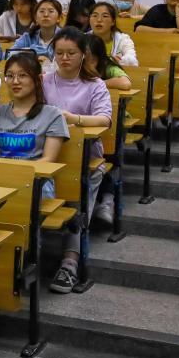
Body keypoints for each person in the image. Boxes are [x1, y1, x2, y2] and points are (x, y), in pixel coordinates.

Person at [41, 27, 112, 294]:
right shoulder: (44, 81)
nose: (64, 58)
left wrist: (74, 119)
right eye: (59, 53)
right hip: (46, 155)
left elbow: (105, 119)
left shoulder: (95, 85)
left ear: (83, 54)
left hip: (84, 157)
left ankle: (70, 263)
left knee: (75, 200)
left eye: (71, 53)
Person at [0, 53, 69, 198]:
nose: (15, 81)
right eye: (10, 76)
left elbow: (48, 160)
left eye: (22, 75)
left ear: (38, 79)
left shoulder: (53, 115)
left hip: (36, 182)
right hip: (0, 180)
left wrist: (14, 174)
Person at [10, 0, 63, 67]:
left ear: (59, 18)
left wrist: (50, 63)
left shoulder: (66, 37)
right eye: (42, 11)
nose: (46, 15)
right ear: (35, 18)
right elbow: (9, 54)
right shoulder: (28, 37)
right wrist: (31, 54)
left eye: (51, 11)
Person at [89, 2, 137, 66]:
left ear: (113, 22)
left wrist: (122, 61)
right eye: (95, 16)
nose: (99, 20)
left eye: (105, 16)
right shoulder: (82, 39)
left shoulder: (123, 39)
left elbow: (133, 61)